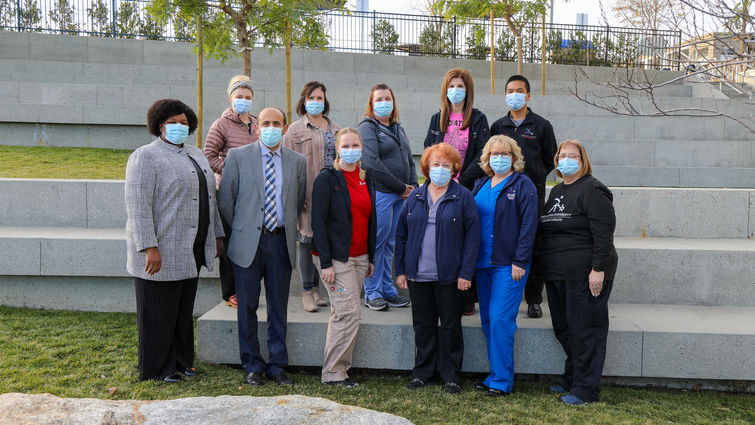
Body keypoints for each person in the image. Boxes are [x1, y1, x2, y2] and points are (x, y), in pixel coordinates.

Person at [125, 98, 224, 382]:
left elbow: (210, 198)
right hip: (161, 249)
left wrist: (217, 235)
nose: (179, 127)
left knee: (181, 311)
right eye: (172, 123)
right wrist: (149, 247)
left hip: (191, 247)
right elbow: (138, 206)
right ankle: (158, 369)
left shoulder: (196, 154)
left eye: (184, 123)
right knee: (158, 312)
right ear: (159, 125)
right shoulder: (146, 156)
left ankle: (182, 362)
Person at [217, 107, 307, 387]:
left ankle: (277, 365)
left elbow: (297, 199)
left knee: (278, 306)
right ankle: (252, 364)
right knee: (247, 305)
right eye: (265, 122)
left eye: (275, 123)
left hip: (280, 241)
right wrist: (244, 228)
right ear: (257, 127)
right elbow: (226, 202)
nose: (270, 127)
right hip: (247, 243)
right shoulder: (238, 156)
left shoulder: (297, 161)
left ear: (284, 127)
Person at [395, 143, 480, 394]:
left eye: (446, 165)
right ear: (426, 167)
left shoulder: (463, 196)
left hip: (450, 277)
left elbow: (473, 237)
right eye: (435, 164)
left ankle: (451, 375)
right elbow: (401, 236)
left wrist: (466, 273)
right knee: (423, 326)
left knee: (451, 326)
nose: (440, 169)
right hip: (418, 275)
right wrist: (401, 270)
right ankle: (423, 373)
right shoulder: (415, 197)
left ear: (454, 168)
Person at [539, 139, 618, 406]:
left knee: (586, 332)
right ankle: (572, 378)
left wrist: (598, 269)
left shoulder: (593, 190)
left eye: (573, 155)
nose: (566, 159)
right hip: (558, 274)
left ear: (583, 161)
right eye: (562, 155)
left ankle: (586, 390)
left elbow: (604, 235)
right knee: (566, 329)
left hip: (586, 274)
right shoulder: (557, 190)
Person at [471, 135, 538, 396]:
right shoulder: (480, 184)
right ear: (487, 158)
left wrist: (520, 260)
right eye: (494, 153)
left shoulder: (523, 185)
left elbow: (529, 225)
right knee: (488, 320)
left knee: (501, 320)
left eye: (505, 153)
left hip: (509, 265)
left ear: (514, 157)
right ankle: (495, 375)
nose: (499, 157)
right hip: (482, 264)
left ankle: (502, 380)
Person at [310, 127, 377, 388]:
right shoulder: (328, 178)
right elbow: (319, 221)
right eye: (346, 145)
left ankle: (340, 368)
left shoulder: (365, 177)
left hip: (360, 256)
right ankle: (334, 372)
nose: (351, 150)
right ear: (337, 149)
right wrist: (325, 262)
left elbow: (371, 220)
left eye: (355, 145)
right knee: (348, 312)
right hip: (336, 259)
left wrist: (371, 257)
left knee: (344, 311)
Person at [490, 74, 557, 319]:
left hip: (532, 194)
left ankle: (533, 299)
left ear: (528, 95)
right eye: (509, 90)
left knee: (533, 244)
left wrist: (535, 176)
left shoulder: (541, 125)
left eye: (519, 90)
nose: (514, 95)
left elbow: (550, 159)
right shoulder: (498, 126)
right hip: (503, 193)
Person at [423, 68, 490, 316]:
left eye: (460, 86)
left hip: (466, 189)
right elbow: (429, 151)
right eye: (452, 85)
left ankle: (466, 296)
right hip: (439, 187)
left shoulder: (479, 119)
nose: (456, 90)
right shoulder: (436, 119)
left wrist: (460, 181)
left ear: (468, 90)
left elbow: (482, 155)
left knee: (466, 241)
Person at [283, 81, 341, 313]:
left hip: (334, 195)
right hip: (307, 194)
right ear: (303, 100)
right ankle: (309, 290)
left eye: (320, 98)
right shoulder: (295, 130)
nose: (316, 102)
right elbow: (287, 165)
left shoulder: (336, 129)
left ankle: (322, 289)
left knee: (326, 239)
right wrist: (295, 196)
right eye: (311, 98)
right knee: (306, 241)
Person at [359, 83, 417, 311]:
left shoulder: (397, 128)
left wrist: (412, 185)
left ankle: (387, 289)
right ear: (371, 104)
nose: (384, 103)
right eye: (379, 99)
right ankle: (372, 291)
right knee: (378, 243)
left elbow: (409, 159)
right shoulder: (368, 127)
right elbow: (372, 162)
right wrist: (399, 186)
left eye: (388, 99)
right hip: (382, 193)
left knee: (391, 244)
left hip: (400, 196)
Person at [203, 75, 258, 309]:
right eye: (239, 97)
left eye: (247, 97)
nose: (243, 100)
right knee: (229, 243)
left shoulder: (256, 123)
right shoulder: (221, 124)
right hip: (227, 192)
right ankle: (230, 292)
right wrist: (233, 170)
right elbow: (209, 155)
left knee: (248, 241)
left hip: (252, 193)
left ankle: (247, 287)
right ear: (230, 98)